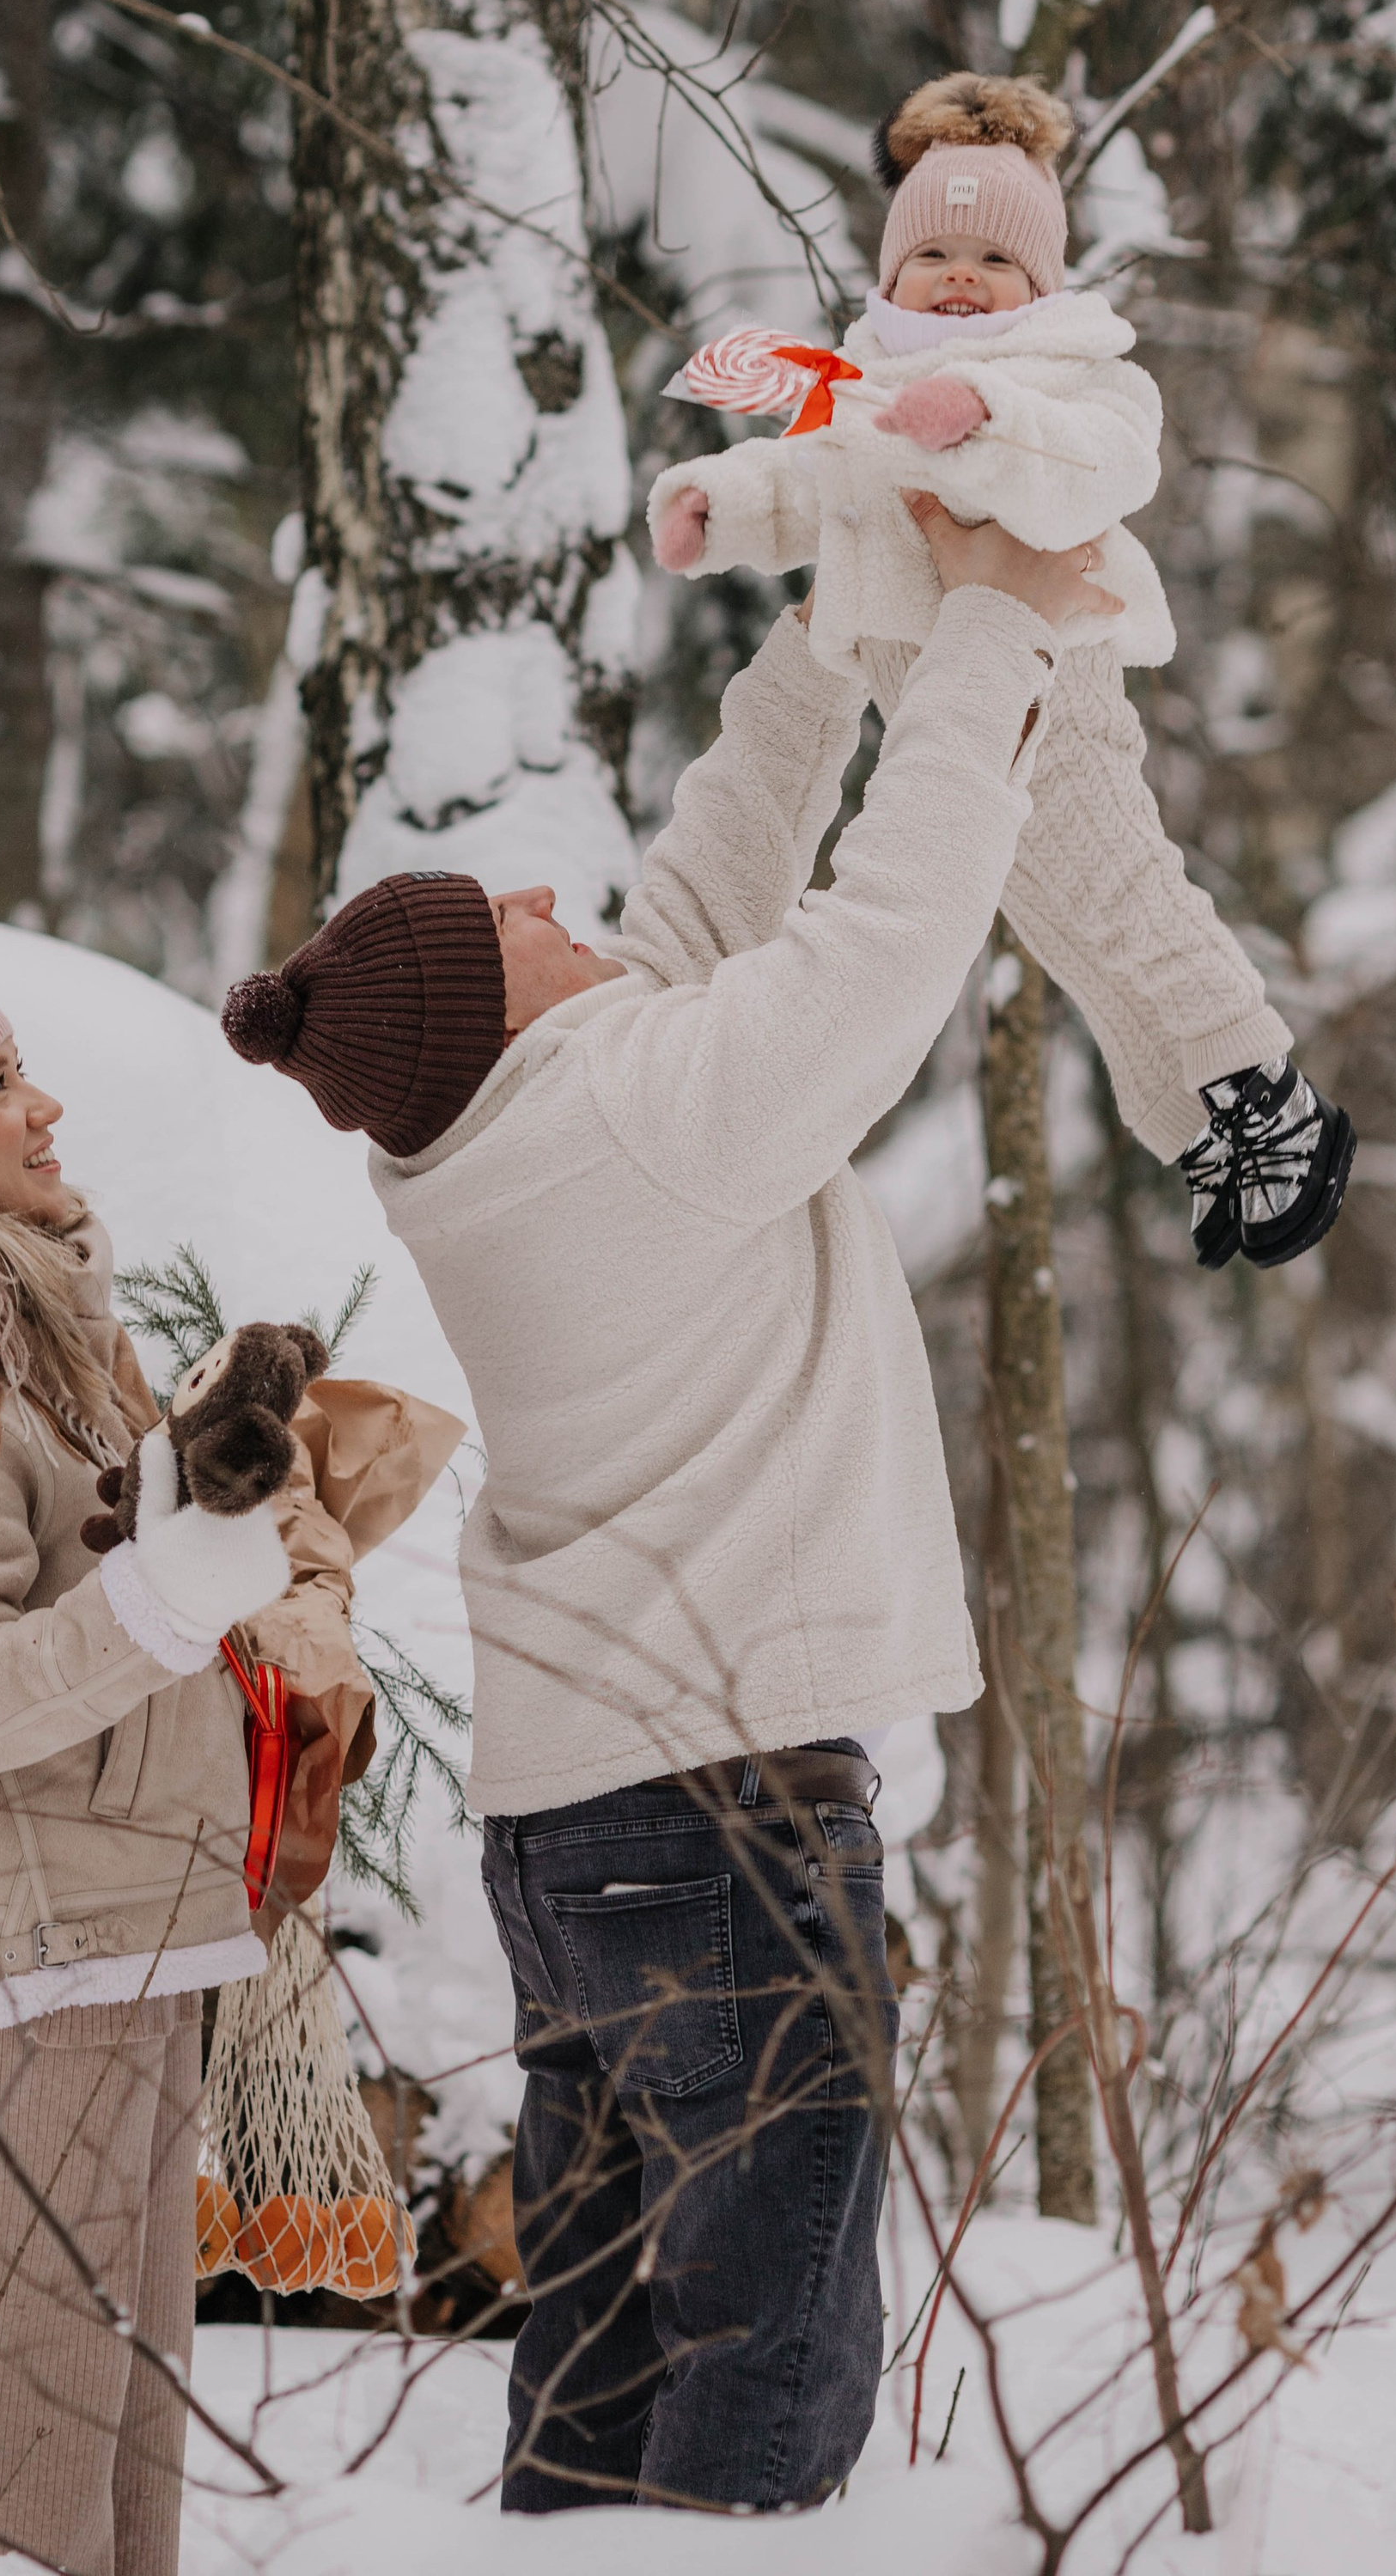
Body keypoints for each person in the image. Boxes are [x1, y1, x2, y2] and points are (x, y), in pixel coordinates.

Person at [222, 504, 1104, 2510]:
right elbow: (889, 928)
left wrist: (825, 638)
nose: (553, 890)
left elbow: (701, 892)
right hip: (720, 1823)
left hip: (581, 1834)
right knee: (762, 2344)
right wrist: (984, 634)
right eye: (514, 916)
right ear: (513, 1015)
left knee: (610, 2336)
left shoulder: (519, 1127)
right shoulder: (642, 1112)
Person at [0, 970, 454, 2575]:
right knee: (18, 2399)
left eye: (24, 1069)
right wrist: (169, 1593)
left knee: (112, 2387)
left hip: (95, 1935)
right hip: (26, 1951)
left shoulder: (15, 1351)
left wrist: (205, 1492)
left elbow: (91, 1577)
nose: (41, 1105)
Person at [647, 69, 1353, 1272]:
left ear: (1044, 284)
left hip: (1039, 660)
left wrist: (974, 414)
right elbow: (809, 484)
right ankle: (1198, 1128)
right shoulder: (855, 386)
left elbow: (1099, 466)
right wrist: (719, 506)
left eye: (997, 259)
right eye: (937, 254)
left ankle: (1263, 1084)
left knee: (1113, 876)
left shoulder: (1072, 371)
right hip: (936, 704)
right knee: (1054, 914)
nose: (964, 277)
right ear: (889, 276)